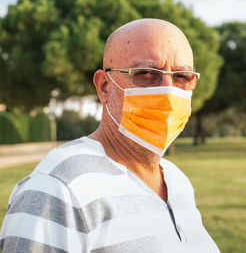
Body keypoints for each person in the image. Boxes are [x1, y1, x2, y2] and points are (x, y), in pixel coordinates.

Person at [0, 18, 220, 253]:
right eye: (145, 73)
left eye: (182, 77)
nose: (168, 90)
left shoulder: (177, 181)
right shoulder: (58, 188)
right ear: (105, 86)